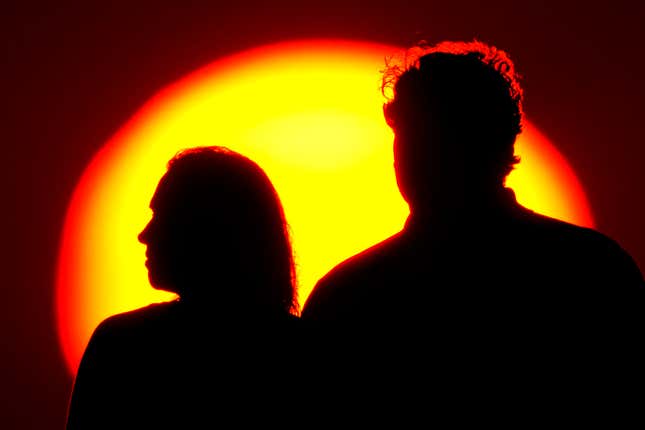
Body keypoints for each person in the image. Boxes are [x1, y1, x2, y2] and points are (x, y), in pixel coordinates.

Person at [302, 40, 645, 368]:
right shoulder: (592, 267)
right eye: (413, 134)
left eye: (443, 136)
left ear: (495, 143)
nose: (426, 155)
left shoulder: (350, 295)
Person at [66, 146, 301, 428]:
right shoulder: (302, 352)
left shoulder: (123, 346)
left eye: (161, 216)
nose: (144, 234)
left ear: (206, 228)